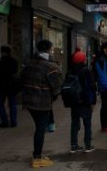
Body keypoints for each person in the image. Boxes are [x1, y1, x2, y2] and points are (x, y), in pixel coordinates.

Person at [20, 40, 62, 168]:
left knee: (39, 127)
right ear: (49, 50)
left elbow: (19, 79)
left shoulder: (28, 64)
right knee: (40, 129)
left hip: (29, 102)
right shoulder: (51, 67)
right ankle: (37, 157)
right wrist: (54, 97)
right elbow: (56, 88)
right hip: (42, 103)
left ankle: (37, 154)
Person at [69, 49, 97, 153]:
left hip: (74, 101)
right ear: (83, 60)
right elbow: (90, 87)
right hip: (84, 101)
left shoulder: (71, 71)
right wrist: (92, 102)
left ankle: (74, 145)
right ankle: (88, 145)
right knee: (87, 124)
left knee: (75, 123)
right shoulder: (86, 71)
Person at [0, 45, 18, 128]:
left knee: (0, 103)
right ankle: (13, 121)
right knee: (13, 104)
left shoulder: (0, 63)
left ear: (3, 52)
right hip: (12, 86)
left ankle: (5, 121)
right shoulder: (14, 62)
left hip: (2, 87)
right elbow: (15, 73)